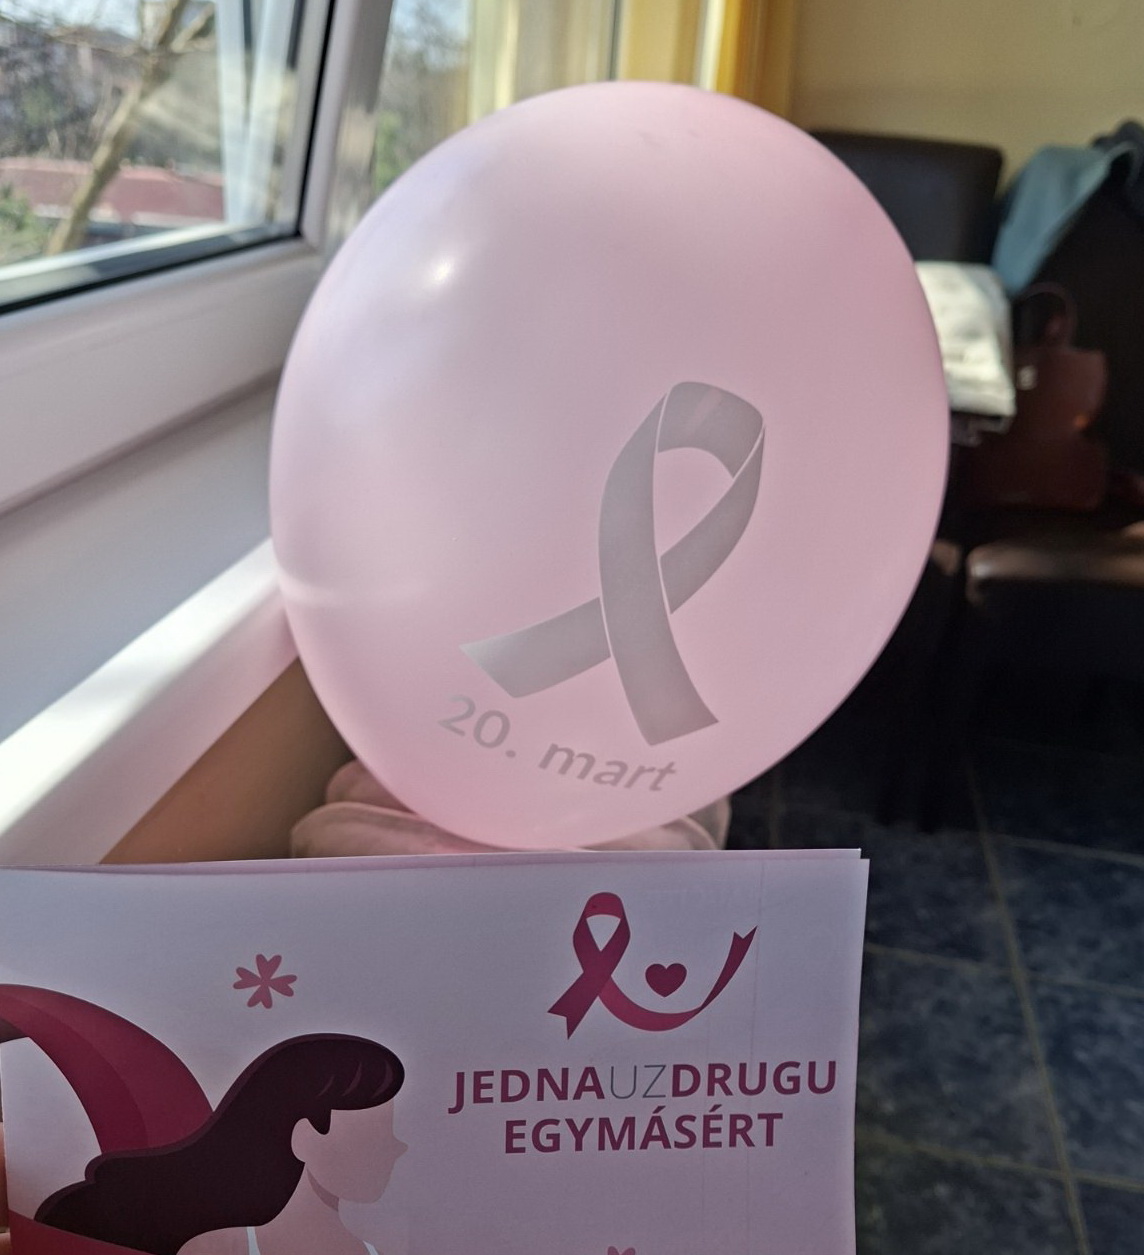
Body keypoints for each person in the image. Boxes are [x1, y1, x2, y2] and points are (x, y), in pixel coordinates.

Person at [34, 1034, 405, 1255]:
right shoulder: (219, 1249)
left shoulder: (371, 1251)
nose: (398, 1147)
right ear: (305, 1138)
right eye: (374, 1133)